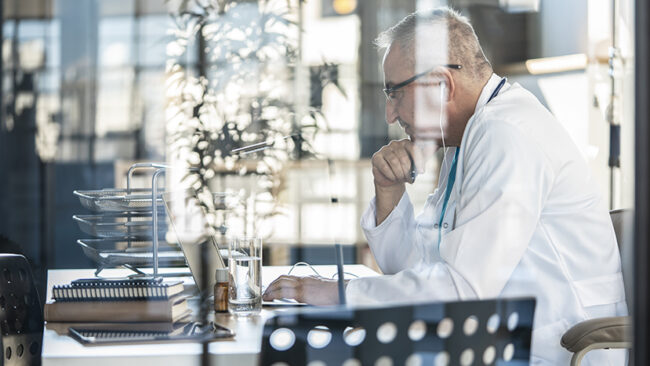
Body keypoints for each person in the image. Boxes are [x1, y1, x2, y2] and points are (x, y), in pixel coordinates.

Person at [263, 8, 627, 364]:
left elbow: (459, 292)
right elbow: (417, 272)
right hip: (504, 341)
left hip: (555, 352)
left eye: (395, 93)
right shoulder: (466, 137)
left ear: (441, 85)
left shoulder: (506, 134)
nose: (390, 114)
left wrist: (339, 293)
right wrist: (389, 194)